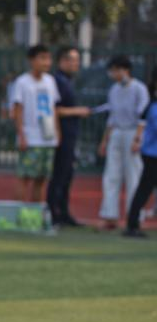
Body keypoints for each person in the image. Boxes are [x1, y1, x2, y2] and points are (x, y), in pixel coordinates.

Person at [98, 55, 149, 229]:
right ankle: (109, 215)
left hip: (133, 132)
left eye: (116, 70)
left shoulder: (139, 88)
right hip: (117, 132)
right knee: (111, 175)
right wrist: (105, 140)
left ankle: (134, 216)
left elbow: (143, 116)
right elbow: (111, 117)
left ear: (125, 70)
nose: (113, 74)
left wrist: (138, 138)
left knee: (133, 175)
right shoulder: (114, 89)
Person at [48, 46, 93, 226]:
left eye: (77, 60)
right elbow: (55, 109)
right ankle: (53, 212)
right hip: (62, 135)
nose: (76, 64)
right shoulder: (57, 81)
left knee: (67, 174)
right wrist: (78, 111)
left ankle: (63, 211)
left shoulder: (67, 81)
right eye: (73, 60)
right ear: (62, 61)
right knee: (59, 174)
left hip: (70, 134)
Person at [10, 45, 61, 203]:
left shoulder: (50, 81)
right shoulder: (22, 82)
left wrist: (57, 132)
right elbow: (17, 110)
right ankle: (18, 212)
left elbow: (53, 108)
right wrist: (21, 135)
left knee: (41, 179)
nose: (47, 62)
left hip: (48, 138)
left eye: (48, 58)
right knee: (25, 177)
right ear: (31, 60)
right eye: (42, 58)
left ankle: (35, 213)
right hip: (31, 138)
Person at [124, 69, 157, 238]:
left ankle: (132, 223)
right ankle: (132, 225)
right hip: (153, 155)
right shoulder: (154, 106)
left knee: (144, 189)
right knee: (144, 189)